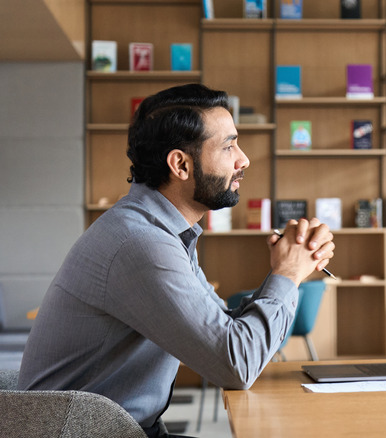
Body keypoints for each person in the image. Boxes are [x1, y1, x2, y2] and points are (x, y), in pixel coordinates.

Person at [17, 83, 335, 437]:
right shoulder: (141, 244)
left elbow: (224, 331)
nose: (243, 159)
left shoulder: (160, 232)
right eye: (229, 146)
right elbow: (236, 364)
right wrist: (288, 273)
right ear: (180, 164)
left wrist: (284, 270)